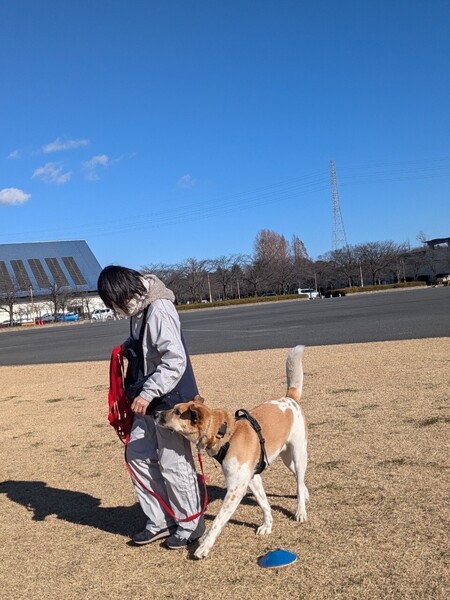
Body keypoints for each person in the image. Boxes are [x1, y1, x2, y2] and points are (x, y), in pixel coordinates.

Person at [97, 265, 205, 548]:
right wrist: (127, 348)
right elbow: (146, 346)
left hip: (169, 399)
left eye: (113, 303)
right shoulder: (137, 310)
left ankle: (190, 521)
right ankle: (160, 519)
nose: (114, 310)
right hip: (146, 399)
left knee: (173, 461)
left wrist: (149, 392)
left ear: (124, 292)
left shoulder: (158, 309)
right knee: (137, 454)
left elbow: (175, 360)